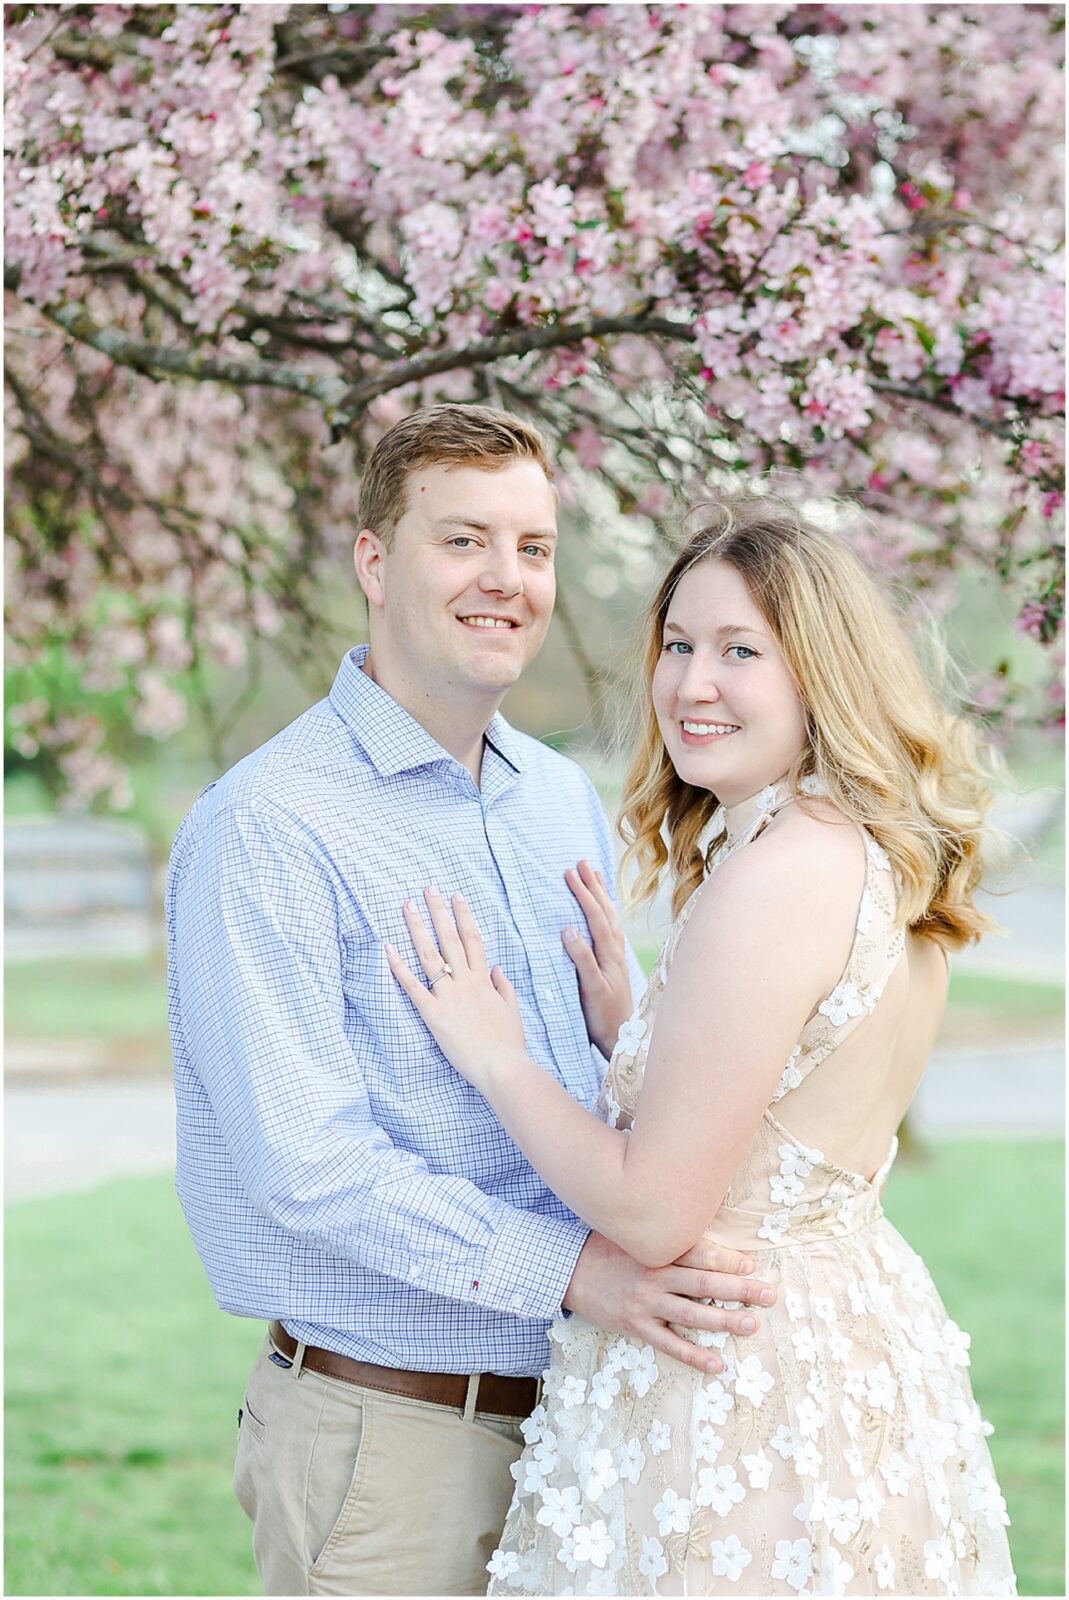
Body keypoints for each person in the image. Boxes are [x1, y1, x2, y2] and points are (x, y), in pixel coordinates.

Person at [166, 405, 775, 1598]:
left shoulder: (554, 797)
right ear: (375, 560)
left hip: (585, 1421)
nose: (507, 580)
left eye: (534, 548)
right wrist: (576, 1271)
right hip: (392, 1444)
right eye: (464, 541)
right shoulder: (269, 826)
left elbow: (579, 1114)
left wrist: (626, 1034)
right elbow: (309, 1165)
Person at [388, 493, 1018, 1596]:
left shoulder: (775, 876)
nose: (691, 684)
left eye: (739, 651)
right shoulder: (865, 850)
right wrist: (639, 1032)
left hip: (732, 1384)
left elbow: (653, 1208)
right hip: (851, 1345)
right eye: (677, 645)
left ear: (819, 671)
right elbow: (796, 1105)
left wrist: (497, 1055)